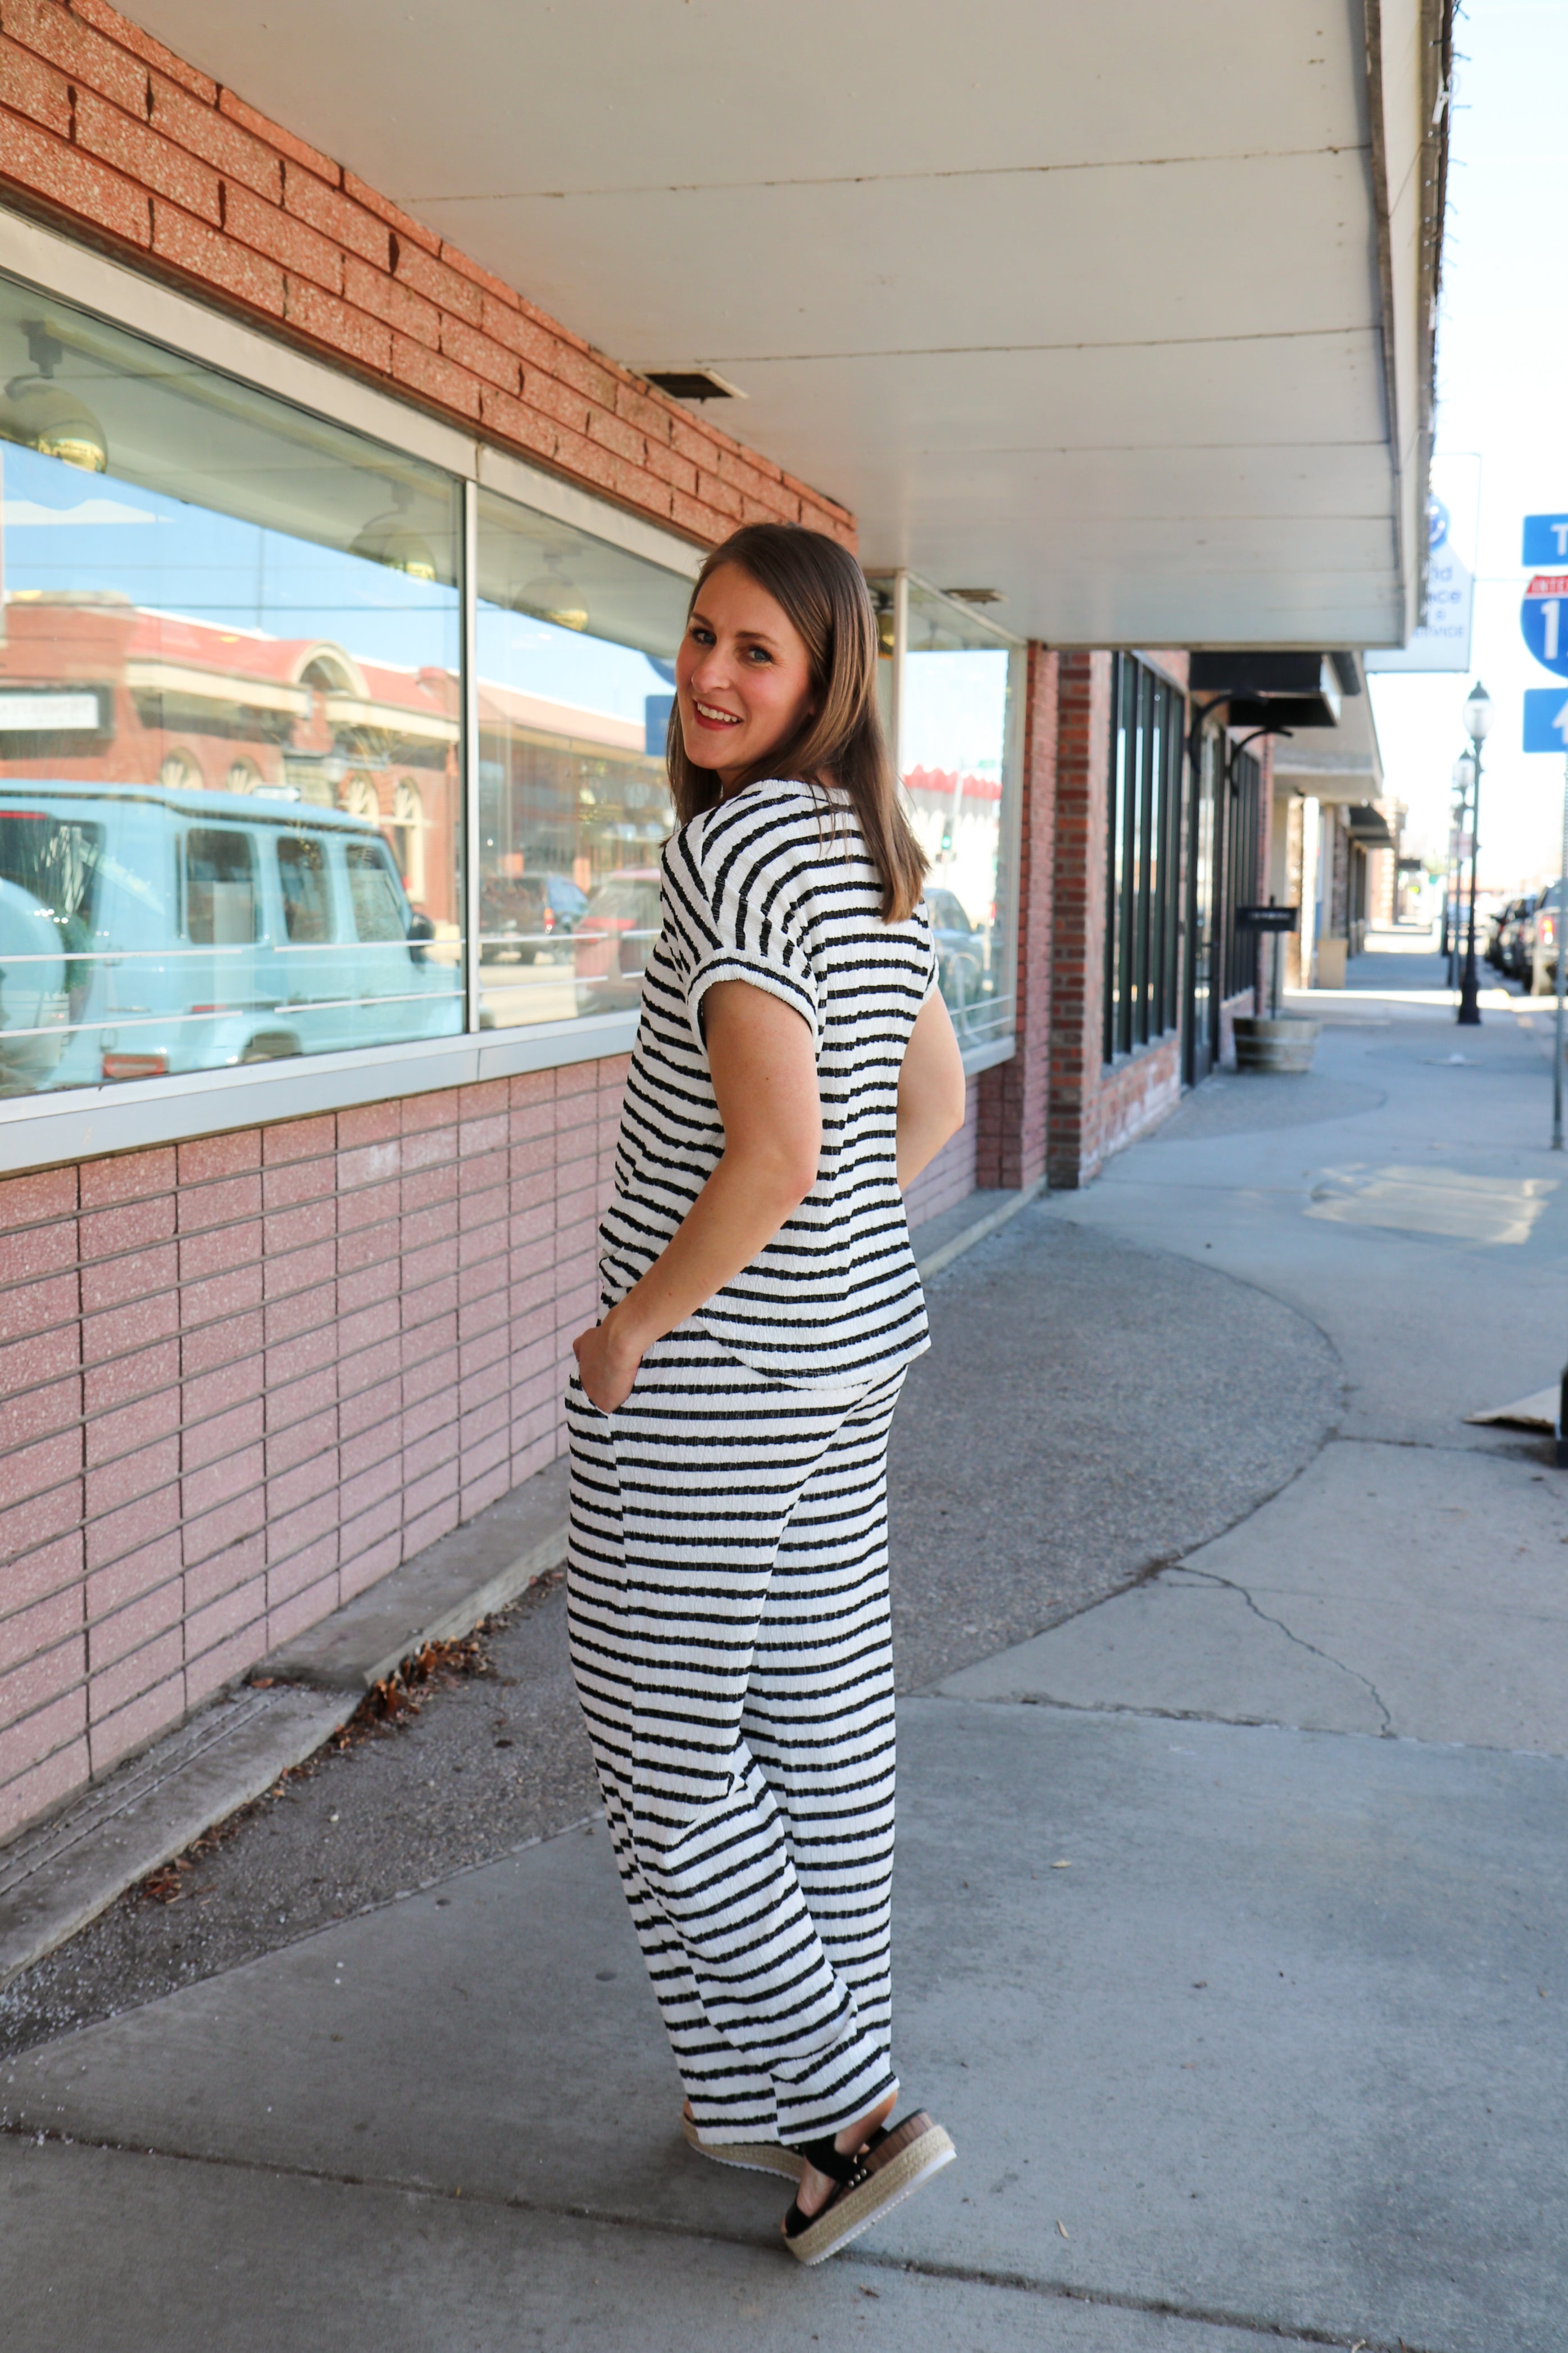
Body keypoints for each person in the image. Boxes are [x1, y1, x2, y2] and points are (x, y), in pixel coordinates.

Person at [566, 522, 966, 2267]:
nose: (713, 676)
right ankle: (761, 2102)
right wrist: (811, 1282)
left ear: (822, 685)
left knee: (665, 1758)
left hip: (715, 1380)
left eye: (758, 654)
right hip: (845, 1363)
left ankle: (850, 2111)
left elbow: (785, 1147)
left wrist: (639, 1326)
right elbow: (927, 1108)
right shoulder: (874, 852)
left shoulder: (734, 851)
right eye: (702, 636)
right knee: (811, 1736)